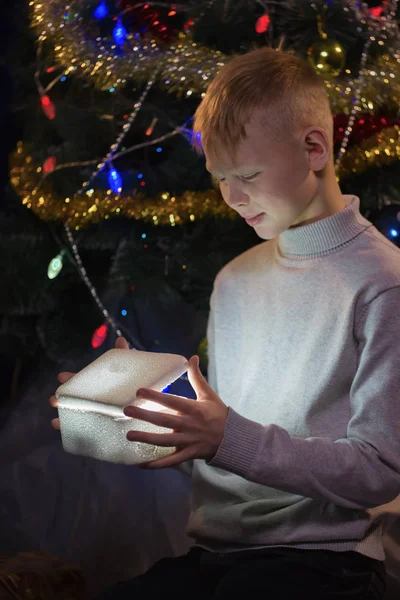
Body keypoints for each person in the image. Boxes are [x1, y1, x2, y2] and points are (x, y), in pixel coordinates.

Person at [50, 44, 400, 599]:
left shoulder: (383, 284)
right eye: (218, 177)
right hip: (215, 557)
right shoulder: (233, 281)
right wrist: (132, 420)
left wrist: (225, 437)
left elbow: (380, 470)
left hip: (323, 564)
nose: (232, 198)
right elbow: (228, 453)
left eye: (247, 174)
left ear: (314, 147)